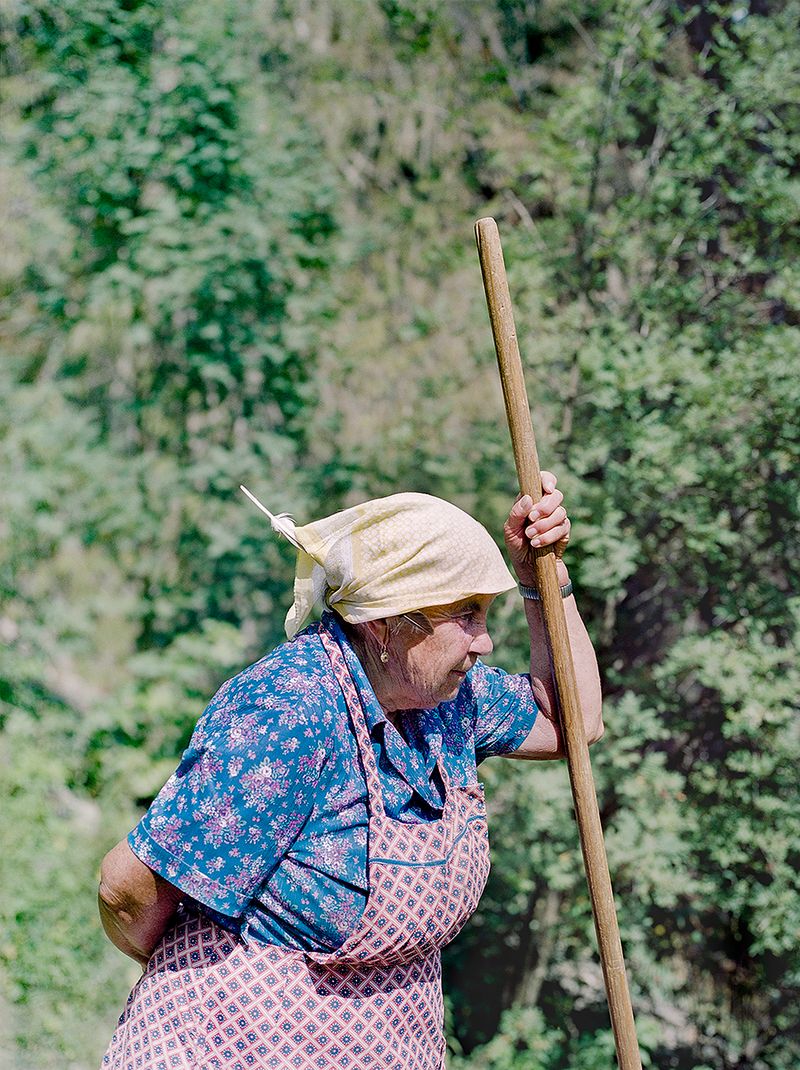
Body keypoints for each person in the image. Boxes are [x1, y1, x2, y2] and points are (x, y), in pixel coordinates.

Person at [98, 473, 602, 1070]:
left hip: (392, 1044)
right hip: (230, 1046)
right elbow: (127, 890)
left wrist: (545, 580)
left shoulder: (447, 704)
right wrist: (208, 975)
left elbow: (575, 722)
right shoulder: (289, 712)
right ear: (385, 622)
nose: (486, 643)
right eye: (466, 616)